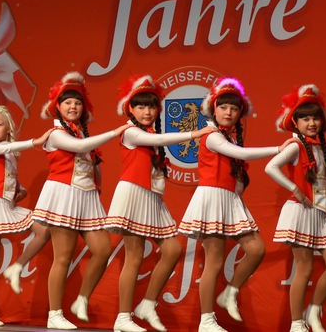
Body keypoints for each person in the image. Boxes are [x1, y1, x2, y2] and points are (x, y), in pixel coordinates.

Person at [178, 77, 298, 332]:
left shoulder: (228, 138)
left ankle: (230, 292)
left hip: (229, 200)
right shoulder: (212, 136)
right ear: (213, 109)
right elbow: (241, 154)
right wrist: (278, 148)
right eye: (223, 107)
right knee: (214, 262)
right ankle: (206, 321)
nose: (228, 112)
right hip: (212, 198)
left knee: (256, 249)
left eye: (234, 108)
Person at [105, 75, 216, 332]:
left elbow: (156, 142)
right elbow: (158, 141)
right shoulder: (129, 131)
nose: (147, 111)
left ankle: (147, 304)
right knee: (133, 256)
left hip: (152, 196)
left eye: (152, 106)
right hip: (133, 193)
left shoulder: (149, 131)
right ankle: (123, 317)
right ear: (130, 109)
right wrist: (196, 133)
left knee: (172, 249)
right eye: (141, 106)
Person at [32, 72, 131, 330]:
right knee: (63, 257)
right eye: (67, 102)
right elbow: (79, 149)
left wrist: (97, 190)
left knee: (103, 249)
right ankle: (54, 314)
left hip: (86, 198)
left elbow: (92, 164)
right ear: (58, 107)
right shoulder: (55, 134)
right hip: (64, 196)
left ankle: (82, 299)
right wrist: (115, 132)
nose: (73, 106)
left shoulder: (80, 135)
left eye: (77, 103)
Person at [266, 85, 326, 332]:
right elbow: (270, 167)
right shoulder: (295, 145)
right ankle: (296, 323)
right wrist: (295, 189)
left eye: (315, 118)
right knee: (305, 268)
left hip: (319, 213)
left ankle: (313, 310)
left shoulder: (319, 147)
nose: (312, 123)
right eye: (306, 118)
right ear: (295, 122)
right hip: (300, 211)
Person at [0, 105, 53, 327]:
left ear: (8, 127)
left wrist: (20, 190)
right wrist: (35, 142)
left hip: (6, 204)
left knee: (44, 230)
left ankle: (16, 267)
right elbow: (7, 149)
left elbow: (7, 177)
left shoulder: (9, 152)